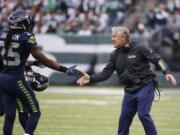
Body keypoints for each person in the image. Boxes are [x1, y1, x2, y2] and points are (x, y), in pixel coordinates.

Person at [77, 26, 177, 135]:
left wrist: (167, 72)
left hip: (145, 86)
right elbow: (106, 73)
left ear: (124, 37)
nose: (112, 39)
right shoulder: (114, 55)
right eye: (112, 36)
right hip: (129, 90)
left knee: (143, 114)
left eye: (115, 36)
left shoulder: (139, 48)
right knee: (124, 119)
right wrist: (91, 78)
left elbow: (158, 59)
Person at [0, 10, 83, 135]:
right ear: (23, 24)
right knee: (35, 112)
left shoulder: (2, 33)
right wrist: (65, 70)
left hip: (3, 79)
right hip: (16, 79)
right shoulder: (26, 37)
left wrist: (31, 63)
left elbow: (8, 58)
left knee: (10, 116)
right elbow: (45, 60)